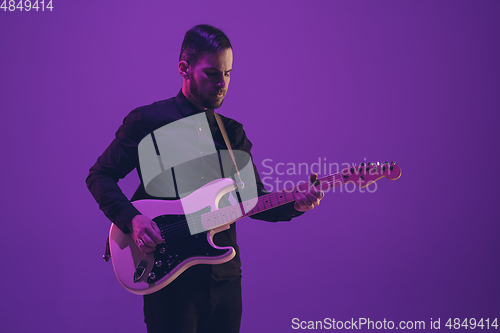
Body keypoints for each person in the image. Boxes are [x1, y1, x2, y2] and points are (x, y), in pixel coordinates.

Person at [86, 24, 324, 333]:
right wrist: (132, 219)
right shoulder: (148, 122)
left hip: (225, 279)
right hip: (170, 280)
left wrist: (296, 204)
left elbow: (252, 201)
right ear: (184, 68)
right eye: (212, 73)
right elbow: (100, 175)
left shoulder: (233, 134)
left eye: (227, 74)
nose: (222, 83)